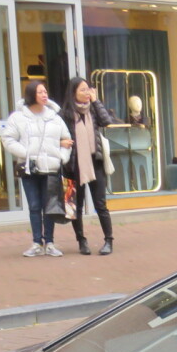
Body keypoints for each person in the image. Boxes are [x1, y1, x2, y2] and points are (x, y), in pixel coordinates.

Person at [2, 80, 72, 257]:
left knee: (50, 206)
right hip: (29, 169)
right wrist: (26, 153)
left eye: (45, 91)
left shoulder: (55, 117)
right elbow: (8, 139)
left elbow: (67, 140)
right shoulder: (17, 118)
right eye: (40, 92)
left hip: (51, 167)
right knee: (34, 205)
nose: (44, 95)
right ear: (31, 94)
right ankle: (36, 243)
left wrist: (61, 156)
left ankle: (49, 242)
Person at [60, 77, 115, 256]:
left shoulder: (93, 110)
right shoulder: (65, 114)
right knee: (76, 206)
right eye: (82, 90)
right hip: (74, 166)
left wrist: (96, 100)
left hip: (95, 162)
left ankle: (109, 240)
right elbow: (57, 136)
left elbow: (107, 121)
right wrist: (62, 142)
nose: (86, 93)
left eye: (88, 89)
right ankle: (81, 241)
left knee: (101, 204)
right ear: (73, 92)